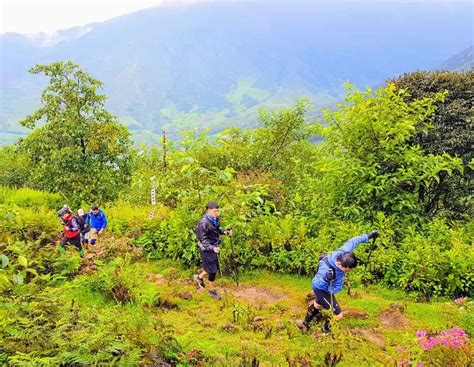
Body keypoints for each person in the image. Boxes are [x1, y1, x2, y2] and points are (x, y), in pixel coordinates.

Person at [296, 231, 379, 333]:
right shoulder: (326, 270)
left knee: (318, 304)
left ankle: (305, 324)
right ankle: (325, 331)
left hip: (328, 289)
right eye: (348, 270)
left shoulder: (344, 252)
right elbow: (316, 283)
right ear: (341, 265)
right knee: (338, 315)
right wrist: (326, 279)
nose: (349, 271)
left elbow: (353, 241)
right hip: (322, 289)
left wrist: (369, 236)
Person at [194, 201, 232, 300]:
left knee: (211, 267)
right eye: (215, 211)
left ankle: (199, 277)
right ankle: (212, 291)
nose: (217, 213)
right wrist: (212, 248)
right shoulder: (203, 223)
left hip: (214, 247)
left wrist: (225, 232)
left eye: (217, 211)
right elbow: (202, 239)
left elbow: (217, 230)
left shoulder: (215, 219)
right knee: (213, 270)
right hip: (206, 248)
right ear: (209, 210)